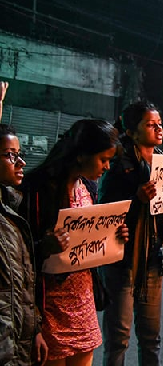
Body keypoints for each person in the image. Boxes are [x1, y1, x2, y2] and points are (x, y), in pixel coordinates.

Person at [20, 120, 127, 366]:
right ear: (81, 156)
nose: (107, 167)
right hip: (48, 307)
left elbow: (89, 240)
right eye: (103, 160)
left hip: (82, 300)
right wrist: (43, 246)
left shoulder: (88, 185)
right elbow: (17, 254)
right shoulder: (36, 189)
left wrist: (113, 236)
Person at [98, 101, 163, 366]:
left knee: (151, 337)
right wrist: (136, 198)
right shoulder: (117, 164)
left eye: (160, 124)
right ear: (131, 131)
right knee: (119, 338)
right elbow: (104, 211)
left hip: (152, 255)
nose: (159, 128)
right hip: (122, 260)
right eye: (150, 125)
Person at [0, 124, 48, 365]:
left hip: (18, 346)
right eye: (10, 155)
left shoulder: (12, 215)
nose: (21, 162)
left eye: (20, 154)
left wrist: (36, 330)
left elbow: (23, 285)